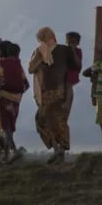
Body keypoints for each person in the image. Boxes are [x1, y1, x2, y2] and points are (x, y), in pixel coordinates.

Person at [29, 27, 78, 163]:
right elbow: (75, 66)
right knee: (56, 121)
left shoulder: (41, 51)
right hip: (59, 91)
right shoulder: (60, 50)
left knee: (45, 120)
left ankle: (58, 149)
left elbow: (31, 69)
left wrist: (41, 59)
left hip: (52, 91)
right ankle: (59, 150)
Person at [0, 41, 29, 163]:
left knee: (5, 128)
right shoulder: (18, 65)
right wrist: (18, 94)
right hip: (16, 101)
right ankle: (6, 158)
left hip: (4, 99)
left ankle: (14, 150)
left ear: (2, 51)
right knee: (9, 128)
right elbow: (26, 84)